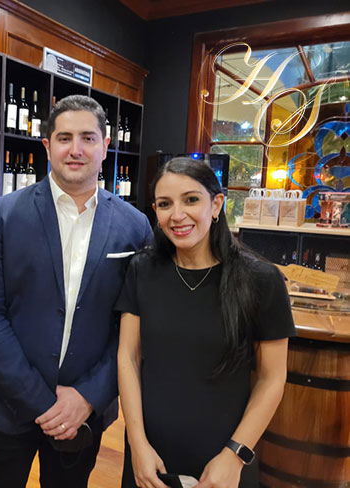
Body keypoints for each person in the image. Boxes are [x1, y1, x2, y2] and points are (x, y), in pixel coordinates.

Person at [0, 95, 153, 487]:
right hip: (4, 406)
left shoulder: (135, 227)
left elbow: (133, 325)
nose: (76, 149)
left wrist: (88, 396)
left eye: (88, 138)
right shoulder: (1, 214)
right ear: (47, 146)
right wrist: (44, 401)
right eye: (64, 138)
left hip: (85, 412)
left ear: (105, 145)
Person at [116, 157, 295, 488]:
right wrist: (136, 442)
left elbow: (272, 378)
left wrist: (235, 455)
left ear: (216, 204)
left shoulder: (261, 279)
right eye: (165, 204)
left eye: (191, 200)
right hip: (149, 455)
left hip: (224, 459)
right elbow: (128, 357)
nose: (177, 215)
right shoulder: (142, 270)